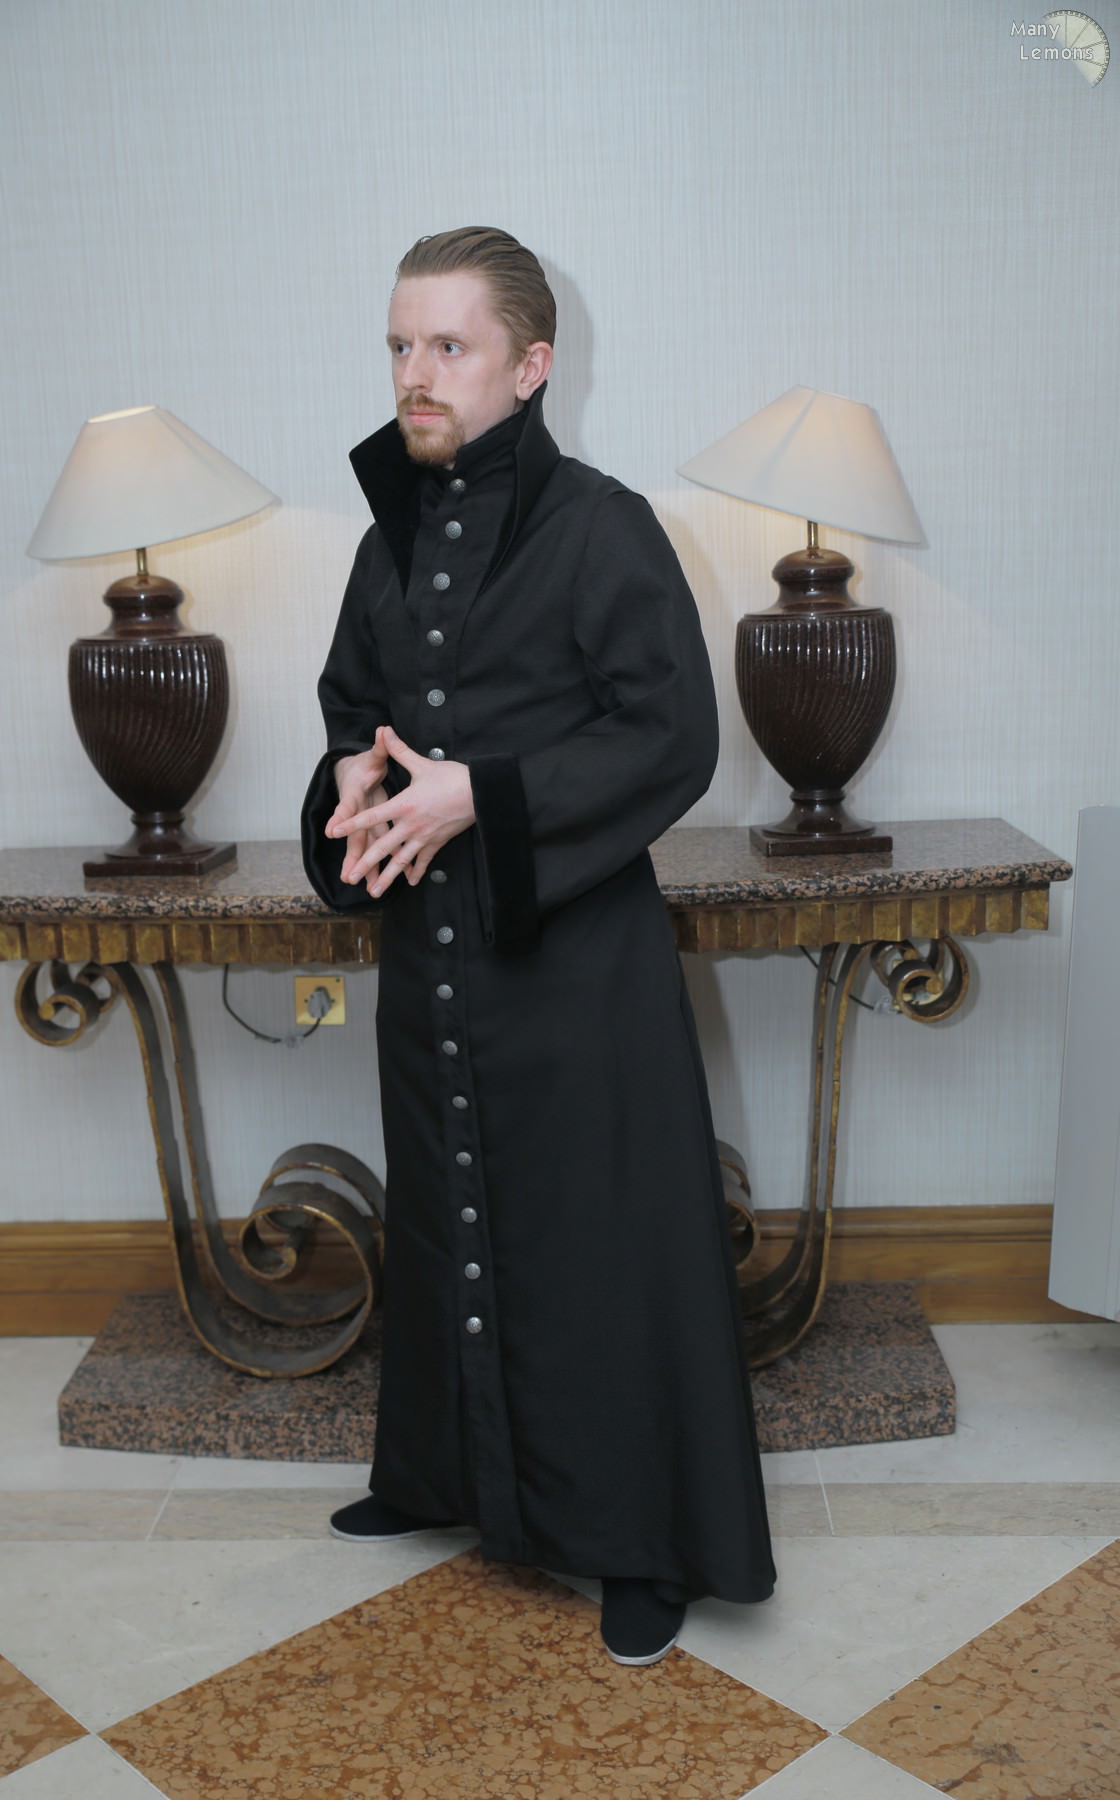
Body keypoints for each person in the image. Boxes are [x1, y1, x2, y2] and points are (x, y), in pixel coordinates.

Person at [301, 227, 774, 1666]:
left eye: (449, 346)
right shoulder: (387, 541)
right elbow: (352, 708)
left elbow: (670, 737)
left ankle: (643, 1543)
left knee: (598, 1249)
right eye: (401, 344)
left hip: (576, 972)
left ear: (531, 365)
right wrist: (354, 779)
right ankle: (438, 1476)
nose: (416, 372)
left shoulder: (605, 526)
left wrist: (482, 797)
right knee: (446, 1218)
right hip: (433, 962)